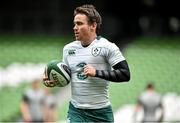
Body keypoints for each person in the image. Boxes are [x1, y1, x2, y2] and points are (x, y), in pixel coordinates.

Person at [43, 4, 130, 122]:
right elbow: (67, 75)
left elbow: (125, 74)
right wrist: (54, 81)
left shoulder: (107, 47)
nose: (75, 27)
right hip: (76, 112)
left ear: (93, 25)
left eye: (79, 24)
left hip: (101, 113)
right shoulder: (68, 49)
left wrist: (96, 72)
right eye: (74, 24)